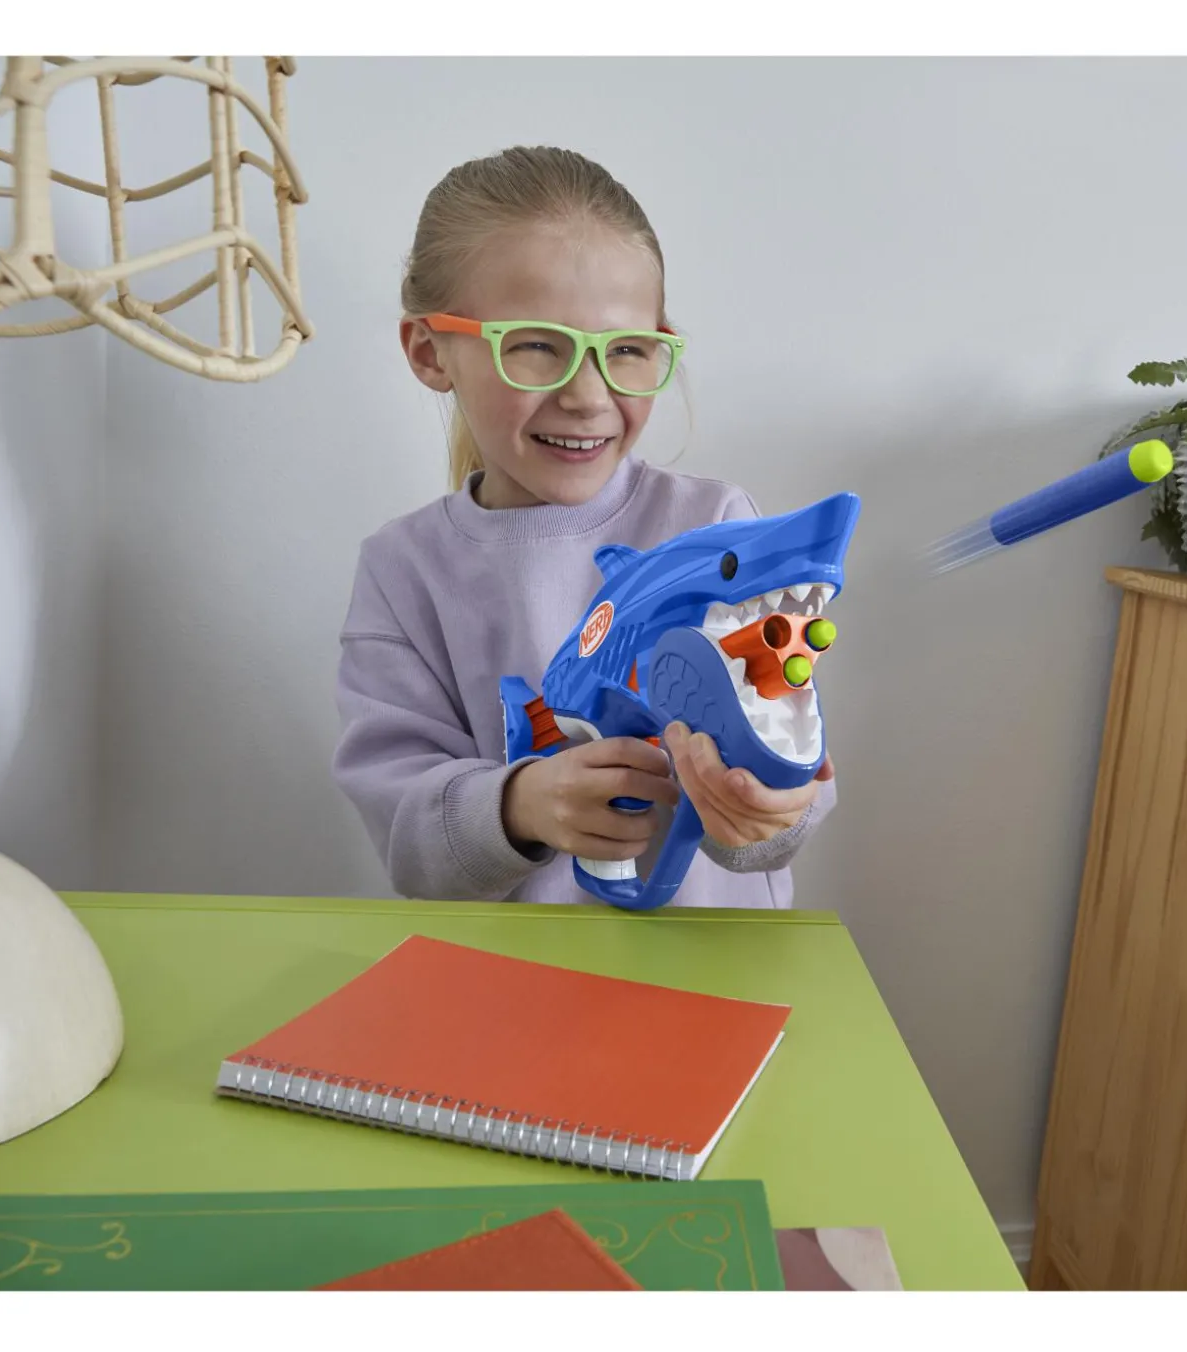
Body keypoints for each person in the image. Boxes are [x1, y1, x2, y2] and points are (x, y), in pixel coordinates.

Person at [332, 145, 834, 907]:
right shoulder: (403, 570)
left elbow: (791, 778)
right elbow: (408, 841)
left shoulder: (717, 529)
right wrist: (519, 806)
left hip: (713, 968)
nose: (588, 396)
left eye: (626, 350)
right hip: (506, 975)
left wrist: (768, 810)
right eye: (536, 346)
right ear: (430, 352)